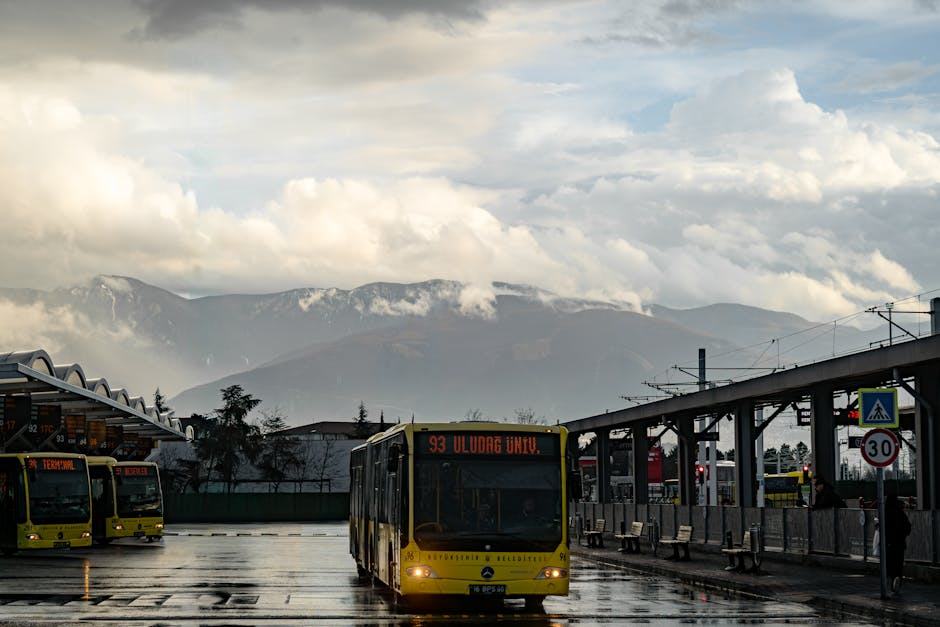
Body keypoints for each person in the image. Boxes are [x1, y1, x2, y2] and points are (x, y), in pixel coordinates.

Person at [884, 495, 912, 594]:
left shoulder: (885, 513)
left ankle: (892, 580)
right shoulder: (900, 513)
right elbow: (908, 527)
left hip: (888, 543)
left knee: (890, 563)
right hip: (899, 543)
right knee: (898, 564)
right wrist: (902, 534)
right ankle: (897, 581)